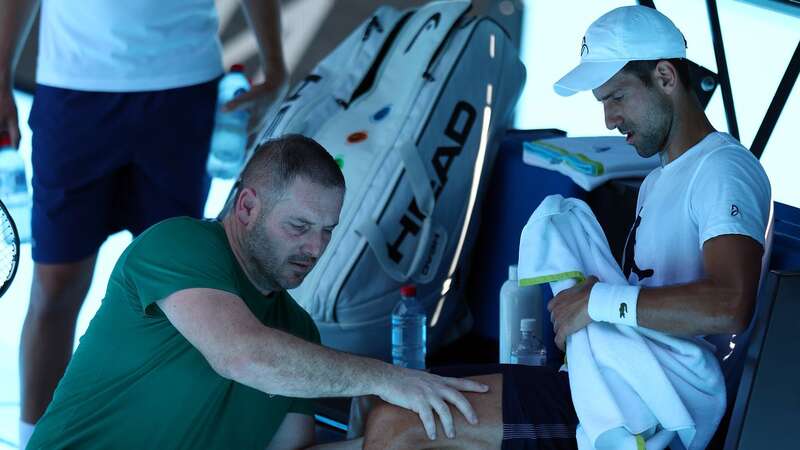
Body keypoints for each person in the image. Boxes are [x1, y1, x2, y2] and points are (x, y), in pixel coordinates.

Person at [358, 5, 772, 450]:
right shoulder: (657, 180)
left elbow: (730, 304)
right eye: (603, 103)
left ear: (666, 77)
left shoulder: (722, 168)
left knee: (397, 423)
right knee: (379, 397)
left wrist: (596, 301)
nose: (609, 120)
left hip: (655, 404)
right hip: (610, 382)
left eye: (617, 97)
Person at [25, 134, 488, 449]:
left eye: (328, 231)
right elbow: (242, 355)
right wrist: (388, 378)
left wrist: (399, 439)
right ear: (247, 206)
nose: (315, 248)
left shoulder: (298, 333)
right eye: (299, 226)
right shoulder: (180, 244)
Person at [0, 0, 289, 446]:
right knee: (56, 286)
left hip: (181, 88)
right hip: (75, 88)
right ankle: (32, 441)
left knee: (181, 295)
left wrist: (274, 63)